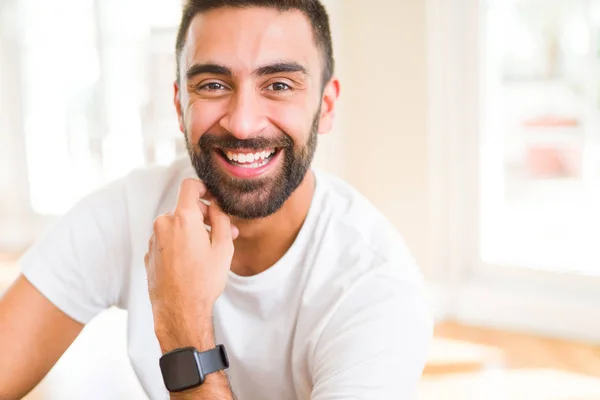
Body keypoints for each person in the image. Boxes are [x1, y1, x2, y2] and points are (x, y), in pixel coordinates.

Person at [0, 0, 432, 399]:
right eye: (212, 84)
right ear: (179, 103)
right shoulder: (130, 212)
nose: (243, 124)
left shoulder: (376, 287)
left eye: (279, 84)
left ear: (327, 105)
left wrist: (184, 327)